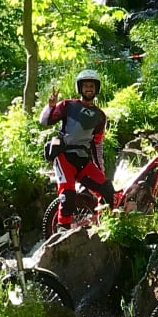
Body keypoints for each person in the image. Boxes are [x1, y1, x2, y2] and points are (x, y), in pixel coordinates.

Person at [39, 69, 115, 231]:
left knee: (108, 190)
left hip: (82, 159)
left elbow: (97, 143)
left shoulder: (100, 116)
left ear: (96, 90)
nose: (89, 89)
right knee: (68, 195)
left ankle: (103, 226)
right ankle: (62, 232)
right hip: (64, 156)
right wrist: (50, 106)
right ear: (80, 88)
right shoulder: (68, 105)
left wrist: (99, 167)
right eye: (86, 86)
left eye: (92, 86)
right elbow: (45, 121)